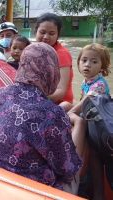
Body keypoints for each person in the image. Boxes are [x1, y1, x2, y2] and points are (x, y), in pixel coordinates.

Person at [0, 42, 82, 193]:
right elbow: (67, 170)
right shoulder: (51, 114)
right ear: (51, 71)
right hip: (25, 191)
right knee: (80, 126)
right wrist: (77, 123)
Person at [66, 43, 111, 200]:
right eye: (84, 60)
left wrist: (67, 114)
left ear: (102, 66)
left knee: (95, 162)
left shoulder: (98, 85)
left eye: (94, 61)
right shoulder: (88, 81)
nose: (87, 65)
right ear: (78, 62)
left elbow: (82, 104)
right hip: (93, 124)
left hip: (97, 130)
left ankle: (97, 194)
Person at [35, 13, 74, 105]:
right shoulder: (33, 51)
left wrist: (36, 100)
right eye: (42, 32)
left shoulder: (61, 54)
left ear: (57, 35)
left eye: (51, 33)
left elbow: (61, 91)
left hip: (60, 103)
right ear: (36, 31)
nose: (46, 37)